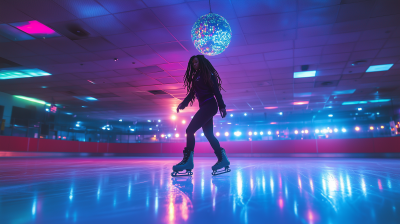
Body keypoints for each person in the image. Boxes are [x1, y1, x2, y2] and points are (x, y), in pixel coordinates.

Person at [171, 55, 230, 176]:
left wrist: (222, 106)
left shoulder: (208, 74)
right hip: (205, 106)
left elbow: (216, 91)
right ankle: (222, 159)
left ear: (201, 62)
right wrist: (183, 104)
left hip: (210, 105)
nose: (194, 64)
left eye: (196, 62)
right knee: (208, 134)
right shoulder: (195, 78)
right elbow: (191, 93)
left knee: (189, 130)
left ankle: (187, 161)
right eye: (193, 63)